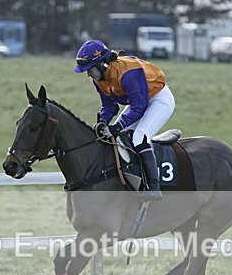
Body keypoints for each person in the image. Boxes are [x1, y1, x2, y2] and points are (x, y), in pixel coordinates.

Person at [73, 39, 175, 201]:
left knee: (140, 137)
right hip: (139, 102)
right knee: (117, 137)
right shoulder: (99, 79)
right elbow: (109, 107)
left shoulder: (128, 73)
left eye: (89, 69)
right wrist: (104, 122)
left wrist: (117, 126)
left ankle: (154, 187)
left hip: (159, 99)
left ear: (103, 65)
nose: (88, 74)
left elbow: (139, 107)